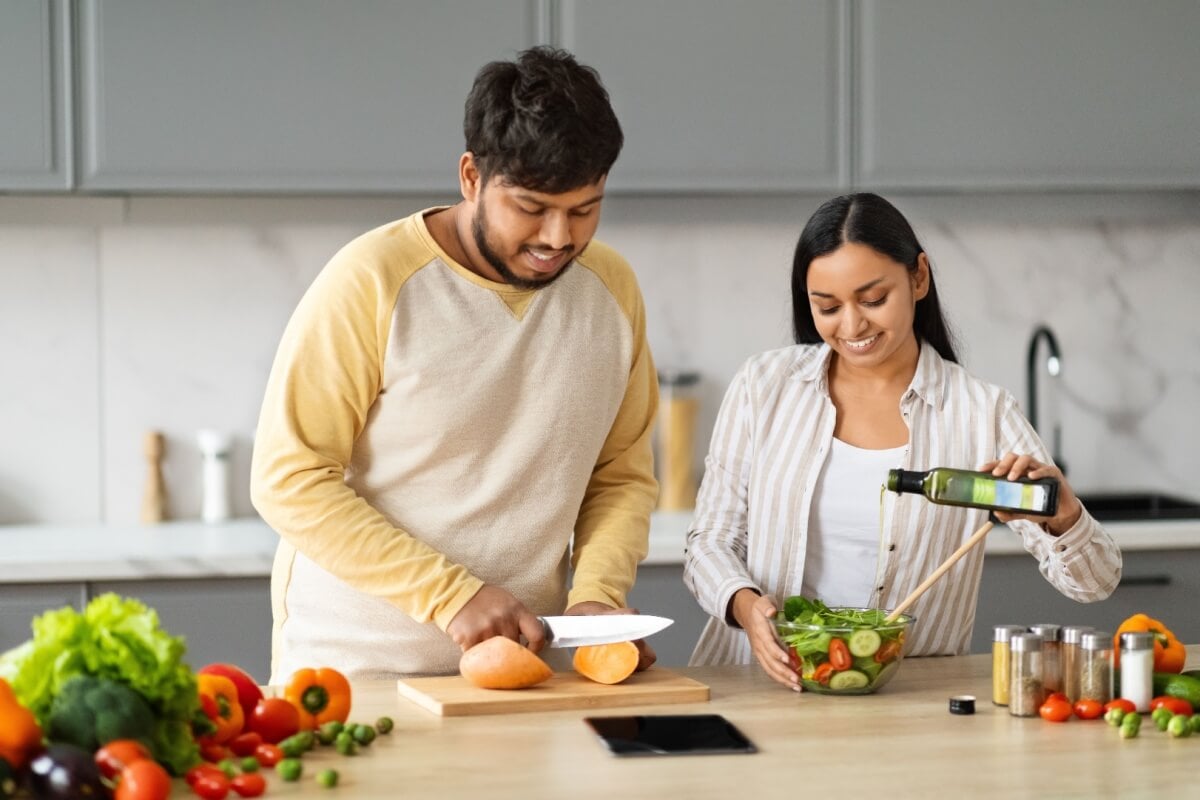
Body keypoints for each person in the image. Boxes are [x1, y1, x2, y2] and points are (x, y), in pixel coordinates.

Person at [250, 47, 659, 681]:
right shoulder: (373, 280)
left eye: (584, 209)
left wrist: (597, 597)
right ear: (471, 177)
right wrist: (451, 594)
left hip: (519, 675)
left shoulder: (612, 290)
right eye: (531, 207)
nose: (558, 238)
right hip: (354, 676)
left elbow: (620, 473)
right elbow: (290, 479)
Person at [682, 193, 1121, 689]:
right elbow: (710, 542)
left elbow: (1096, 583)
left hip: (910, 700)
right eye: (827, 307)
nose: (852, 327)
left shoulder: (982, 413)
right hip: (759, 684)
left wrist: (1065, 518)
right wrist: (743, 603)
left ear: (919, 277)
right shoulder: (763, 387)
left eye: (872, 300)